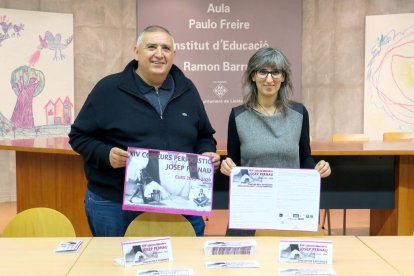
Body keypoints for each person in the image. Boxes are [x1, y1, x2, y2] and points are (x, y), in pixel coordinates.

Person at [69, 25, 220, 237]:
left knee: (184, 264)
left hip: (179, 201)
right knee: (113, 267)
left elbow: (204, 135)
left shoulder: (187, 89)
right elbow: (78, 136)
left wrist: (205, 154)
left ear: (173, 55)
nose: (159, 54)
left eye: (166, 48)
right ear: (137, 51)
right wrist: (105, 154)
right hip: (115, 203)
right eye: (151, 47)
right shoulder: (108, 89)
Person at [220, 47, 331, 236]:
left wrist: (317, 170)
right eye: (262, 72)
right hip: (250, 210)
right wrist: (227, 166)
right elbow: (234, 162)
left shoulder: (299, 114)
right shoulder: (238, 116)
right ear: (253, 76)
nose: (269, 79)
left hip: (289, 208)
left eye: (276, 72)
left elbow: (304, 158)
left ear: (284, 77)